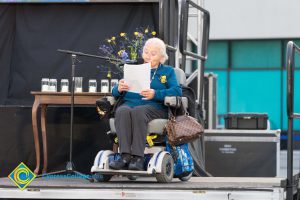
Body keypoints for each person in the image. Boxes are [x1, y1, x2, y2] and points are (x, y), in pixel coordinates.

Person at [109, 37, 182, 171]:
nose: (148, 56)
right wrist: (118, 89)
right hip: (130, 104)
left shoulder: (168, 72)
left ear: (161, 57)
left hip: (155, 107)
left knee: (138, 111)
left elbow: (177, 91)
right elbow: (114, 92)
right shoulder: (134, 68)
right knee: (122, 110)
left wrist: (156, 93)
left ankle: (138, 157)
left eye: (153, 54)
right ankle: (124, 155)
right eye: (146, 52)